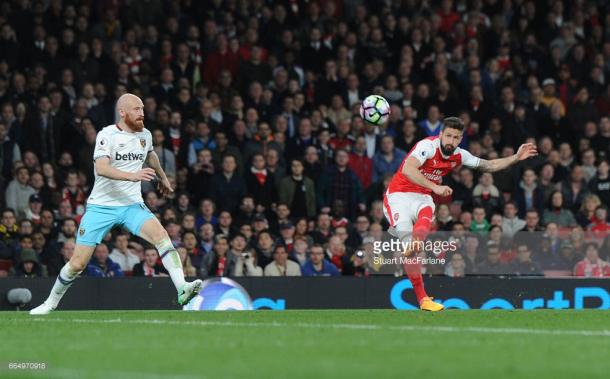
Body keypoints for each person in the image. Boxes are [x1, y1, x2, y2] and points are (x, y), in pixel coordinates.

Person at [30, 94, 203, 315]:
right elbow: (101, 168)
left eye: (142, 108)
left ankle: (182, 288)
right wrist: (131, 176)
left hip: (131, 205)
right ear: (122, 112)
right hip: (101, 206)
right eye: (136, 109)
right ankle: (50, 303)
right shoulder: (107, 135)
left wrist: (163, 177)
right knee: (78, 263)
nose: (142, 113)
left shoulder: (145, 135)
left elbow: (150, 155)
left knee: (162, 237)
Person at [383, 117, 537, 311]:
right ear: (440, 134)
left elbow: (488, 165)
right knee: (410, 244)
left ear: (460, 139)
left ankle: (423, 294)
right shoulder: (427, 146)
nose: (451, 141)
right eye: (448, 136)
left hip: (422, 197)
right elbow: (408, 169)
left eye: (456, 138)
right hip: (398, 196)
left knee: (426, 212)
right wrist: (435, 187)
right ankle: (422, 295)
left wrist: (515, 157)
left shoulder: (459, 155)